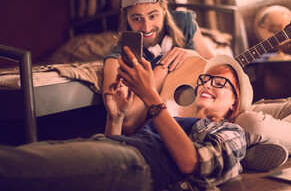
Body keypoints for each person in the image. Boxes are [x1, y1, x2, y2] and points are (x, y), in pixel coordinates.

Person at [0, 49, 250, 191]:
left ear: (234, 103)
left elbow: (190, 163)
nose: (207, 84)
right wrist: (116, 116)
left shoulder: (232, 132)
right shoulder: (174, 119)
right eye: (205, 80)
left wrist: (151, 96)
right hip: (110, 148)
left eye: (220, 82)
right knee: (26, 155)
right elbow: (116, 143)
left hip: (138, 165)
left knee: (16, 167)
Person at [102, 0, 214, 110]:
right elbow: (119, 115)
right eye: (137, 19)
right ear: (124, 15)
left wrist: (191, 54)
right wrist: (160, 70)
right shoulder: (117, 59)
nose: (147, 28)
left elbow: (214, 64)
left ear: (164, 8)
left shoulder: (185, 23)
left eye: (153, 16)